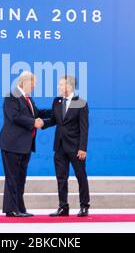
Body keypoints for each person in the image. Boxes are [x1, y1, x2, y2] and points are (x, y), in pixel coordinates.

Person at [0, 71, 49, 217]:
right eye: (32, 84)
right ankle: (11, 209)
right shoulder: (11, 96)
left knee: (21, 178)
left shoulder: (28, 99)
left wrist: (57, 113)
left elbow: (38, 113)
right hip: (12, 144)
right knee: (13, 177)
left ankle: (20, 208)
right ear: (24, 82)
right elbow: (15, 117)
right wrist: (33, 122)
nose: (33, 87)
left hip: (25, 145)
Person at [43, 75, 90, 217]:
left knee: (80, 176)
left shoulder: (80, 103)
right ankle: (63, 207)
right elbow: (54, 120)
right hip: (59, 146)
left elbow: (84, 127)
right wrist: (41, 124)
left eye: (61, 84)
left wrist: (82, 148)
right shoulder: (57, 101)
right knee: (61, 177)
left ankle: (84, 206)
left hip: (76, 148)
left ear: (69, 86)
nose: (59, 87)